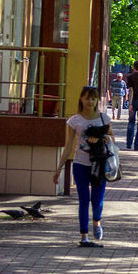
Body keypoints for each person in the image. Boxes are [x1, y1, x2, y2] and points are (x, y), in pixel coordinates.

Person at [52, 86, 115, 247]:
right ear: (81, 99)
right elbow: (68, 146)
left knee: (97, 199)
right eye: (87, 98)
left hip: (99, 165)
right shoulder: (75, 121)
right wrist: (59, 168)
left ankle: (97, 222)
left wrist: (103, 139)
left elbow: (112, 140)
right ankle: (84, 235)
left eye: (93, 98)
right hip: (80, 164)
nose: (90, 101)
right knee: (83, 200)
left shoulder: (104, 119)